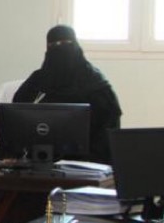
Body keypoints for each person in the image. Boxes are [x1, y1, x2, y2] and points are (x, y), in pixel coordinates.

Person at [12, 24, 122, 163]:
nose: (60, 49)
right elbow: (15, 116)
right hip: (40, 160)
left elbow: (108, 130)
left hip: (87, 163)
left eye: (66, 43)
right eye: (54, 45)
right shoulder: (39, 79)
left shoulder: (96, 84)